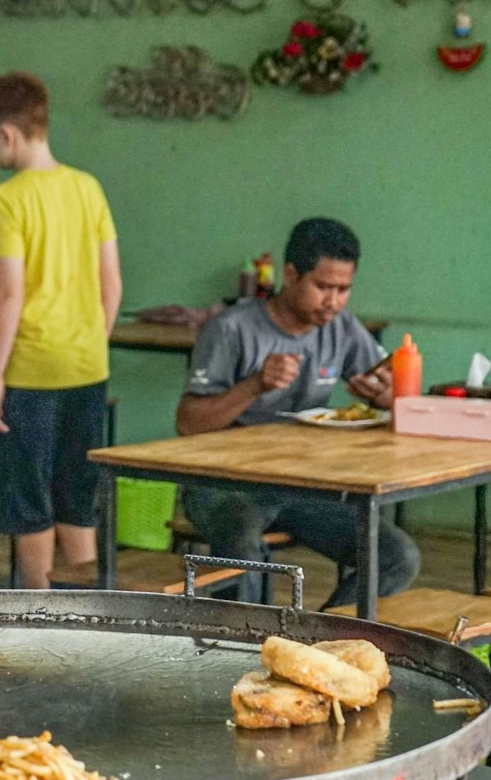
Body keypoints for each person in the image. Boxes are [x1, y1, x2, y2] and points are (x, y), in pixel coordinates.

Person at [177, 217, 420, 607]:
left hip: (303, 482)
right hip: (224, 481)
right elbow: (188, 422)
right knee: (241, 546)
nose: (334, 302)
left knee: (395, 557)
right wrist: (255, 384)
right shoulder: (231, 328)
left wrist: (383, 395)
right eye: (323, 287)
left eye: (344, 289)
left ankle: (319, 647)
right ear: (290, 275)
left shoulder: (340, 327)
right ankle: (239, 650)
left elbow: (388, 387)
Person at [0, 71, 122, 589]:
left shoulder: (5, 200)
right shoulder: (88, 188)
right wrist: (89, 343)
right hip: (87, 367)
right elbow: (113, 286)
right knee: (77, 498)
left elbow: (9, 294)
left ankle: (38, 613)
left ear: (7, 134)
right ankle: (85, 614)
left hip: (31, 372)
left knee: (28, 501)